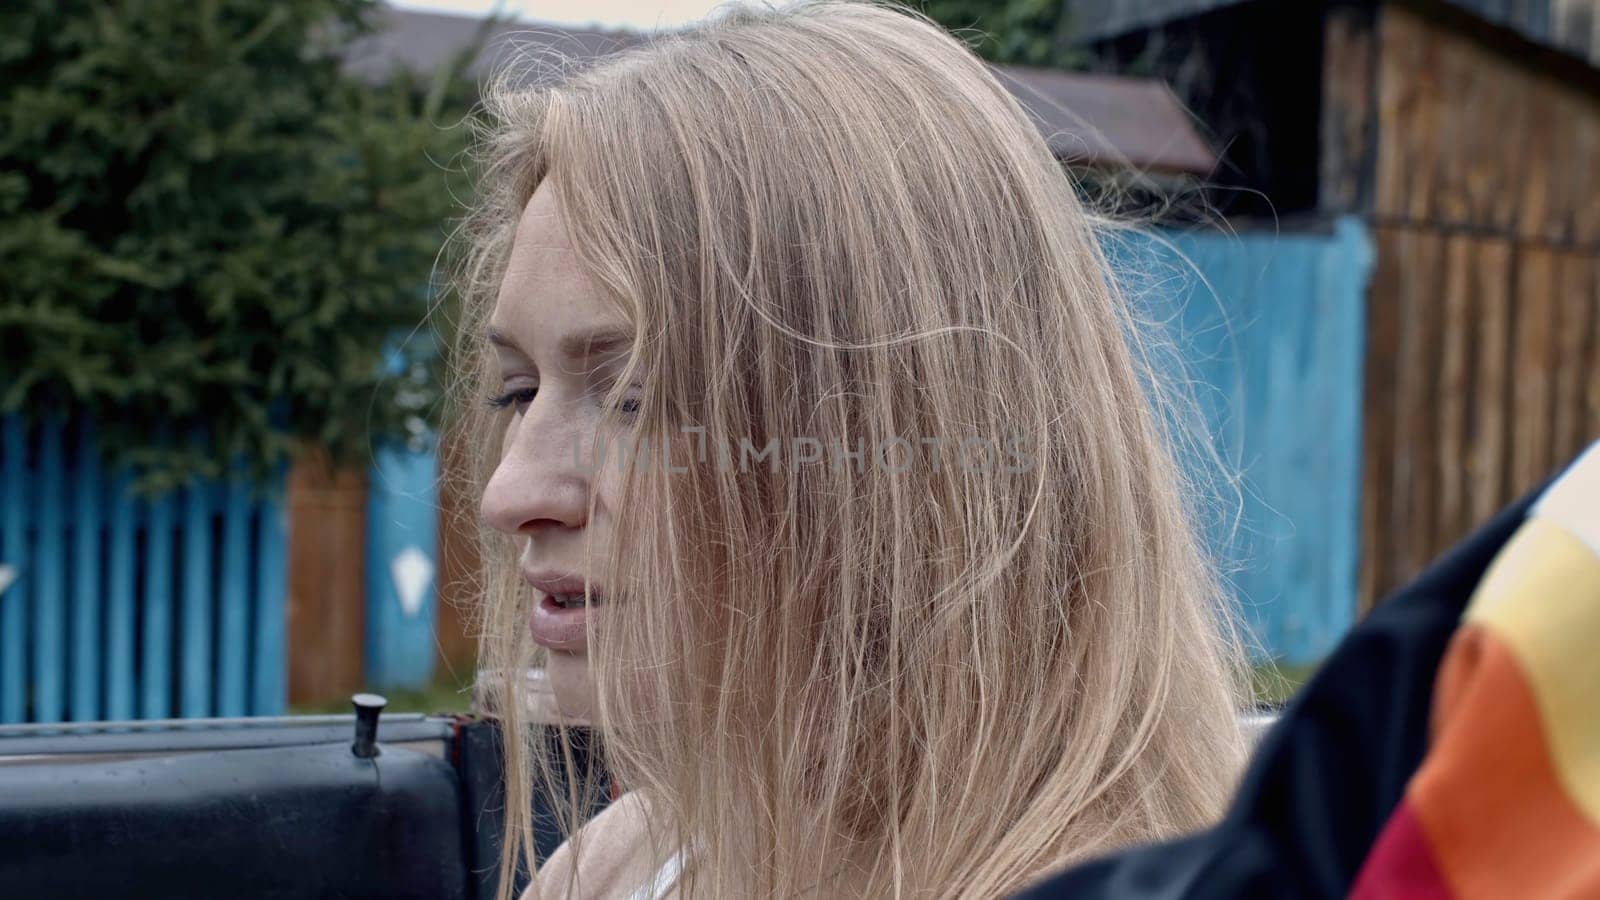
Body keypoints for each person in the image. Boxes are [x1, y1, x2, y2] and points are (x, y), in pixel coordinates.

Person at [455, 2, 1248, 896]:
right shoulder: (613, 866)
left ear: (900, 443)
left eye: (637, 395)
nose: (509, 491)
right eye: (518, 392)